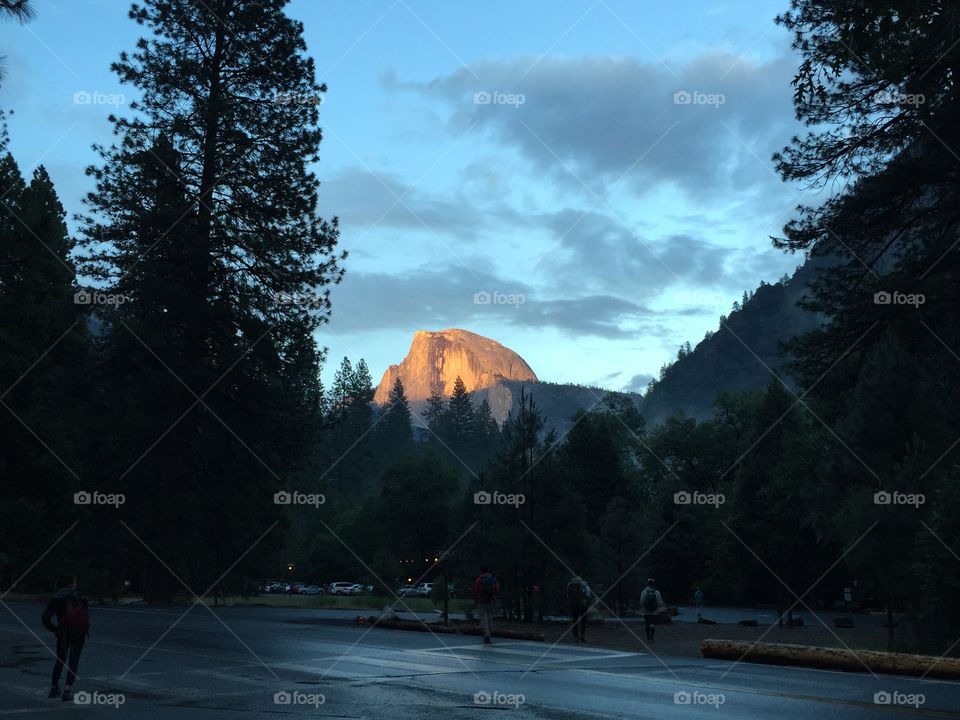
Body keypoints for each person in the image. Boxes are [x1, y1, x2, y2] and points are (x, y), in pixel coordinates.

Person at [42, 574, 89, 701]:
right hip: (78, 633)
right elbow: (85, 616)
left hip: (63, 633)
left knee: (60, 660)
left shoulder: (56, 597)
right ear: (71, 583)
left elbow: (45, 619)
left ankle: (54, 687)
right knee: (74, 661)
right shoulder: (79, 595)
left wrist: (56, 629)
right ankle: (67, 689)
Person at [471, 565, 500, 644]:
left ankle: (487, 635)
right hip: (491, 600)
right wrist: (495, 597)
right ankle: (490, 633)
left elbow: (475, 591)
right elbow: (497, 589)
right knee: (490, 618)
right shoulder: (493, 579)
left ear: (481, 571)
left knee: (484, 618)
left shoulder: (479, 580)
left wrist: (475, 599)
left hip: (481, 601)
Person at [566, 575, 592, 642]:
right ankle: (582, 635)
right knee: (583, 620)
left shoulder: (570, 584)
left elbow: (567, 595)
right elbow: (588, 593)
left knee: (575, 620)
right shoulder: (584, 583)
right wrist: (588, 602)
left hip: (574, 604)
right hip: (583, 604)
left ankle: (575, 637)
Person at [640, 578, 663, 642]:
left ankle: (648, 636)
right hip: (654, 611)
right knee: (652, 624)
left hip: (646, 611)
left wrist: (643, 607)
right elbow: (660, 602)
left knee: (647, 624)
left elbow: (642, 602)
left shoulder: (644, 591)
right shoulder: (657, 592)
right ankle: (652, 637)